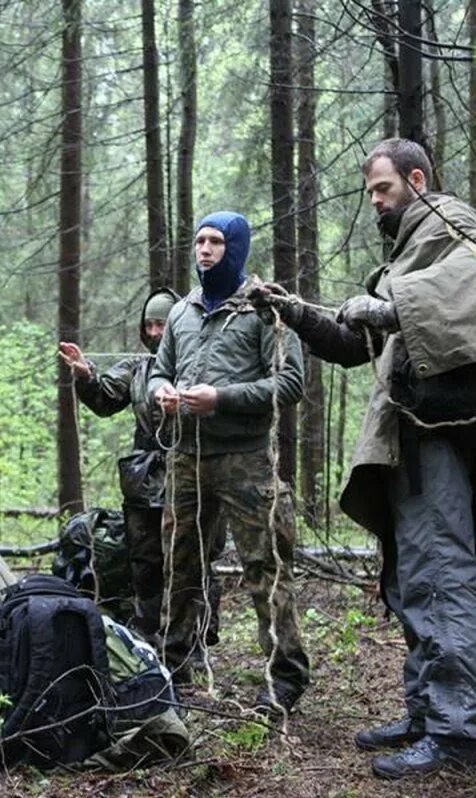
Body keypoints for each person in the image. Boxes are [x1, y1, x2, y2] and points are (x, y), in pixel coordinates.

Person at [249, 137, 476, 778]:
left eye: (383, 189)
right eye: (370, 192)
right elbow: (354, 342)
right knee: (410, 577)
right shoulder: (408, 251)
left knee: (443, 573)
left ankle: (454, 734)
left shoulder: (452, 222)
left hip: (443, 437)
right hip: (409, 439)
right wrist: (294, 310)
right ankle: (426, 712)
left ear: (417, 180)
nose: (375, 203)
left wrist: (394, 305)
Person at [147, 211, 311, 712]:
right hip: (186, 459)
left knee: (266, 566)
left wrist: (222, 397)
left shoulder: (265, 310)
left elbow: (290, 384)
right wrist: (162, 393)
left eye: (216, 242)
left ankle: (285, 678)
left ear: (235, 249)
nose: (204, 251)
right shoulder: (182, 312)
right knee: (180, 565)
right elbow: (159, 370)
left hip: (246, 460)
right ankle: (175, 669)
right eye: (198, 241)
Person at [57, 288, 178, 636]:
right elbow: (106, 398)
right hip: (144, 479)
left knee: (188, 559)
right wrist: (85, 374)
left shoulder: (197, 364)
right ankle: (147, 636)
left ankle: (192, 642)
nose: (155, 333)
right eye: (149, 325)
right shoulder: (137, 368)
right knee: (144, 560)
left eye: (162, 324)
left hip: (191, 474)